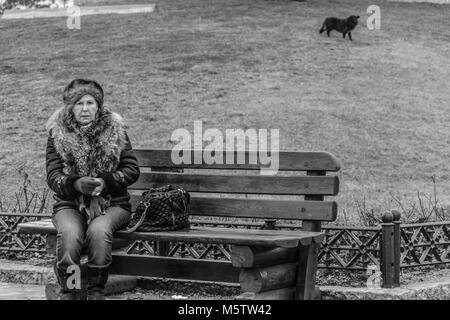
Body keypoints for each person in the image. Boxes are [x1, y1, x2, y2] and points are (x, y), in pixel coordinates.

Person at [45, 79, 140, 299]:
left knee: (98, 232)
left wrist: (107, 182)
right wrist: (75, 184)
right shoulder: (57, 135)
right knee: (70, 235)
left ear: (98, 106)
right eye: (79, 103)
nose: (85, 108)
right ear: (70, 107)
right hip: (69, 204)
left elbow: (132, 169)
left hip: (113, 203)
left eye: (90, 103)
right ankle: (72, 290)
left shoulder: (116, 131)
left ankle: (96, 291)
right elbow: (53, 175)